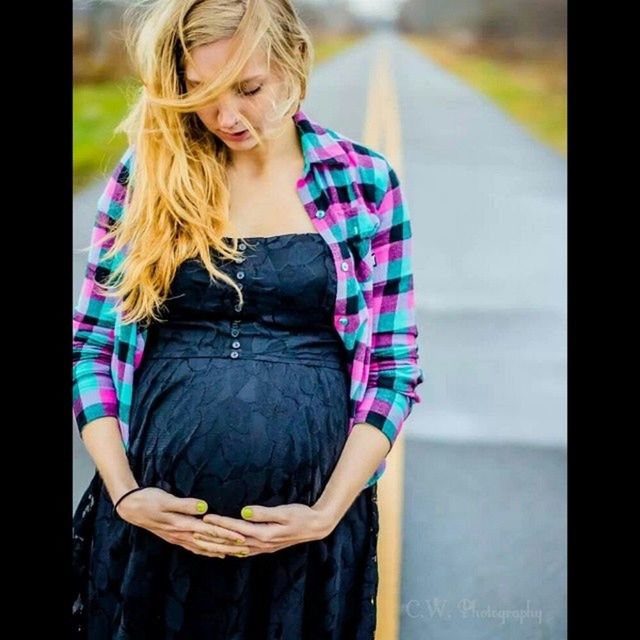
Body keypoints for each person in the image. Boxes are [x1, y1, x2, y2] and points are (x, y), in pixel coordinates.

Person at [71, 0, 424, 638]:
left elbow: (392, 372)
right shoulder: (147, 179)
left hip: (304, 550)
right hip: (152, 535)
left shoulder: (365, 182)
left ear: (293, 60)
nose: (227, 116)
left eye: (249, 88)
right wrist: (126, 495)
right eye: (201, 94)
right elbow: (92, 349)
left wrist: (326, 513)